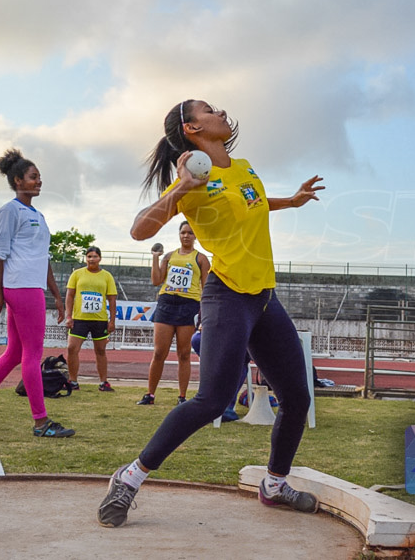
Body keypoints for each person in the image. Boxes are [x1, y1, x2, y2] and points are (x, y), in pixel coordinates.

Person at [98, 99, 325, 527]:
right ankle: (130, 477)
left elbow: (250, 203)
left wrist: (290, 202)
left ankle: (274, 484)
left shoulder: (245, 167)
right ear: (191, 127)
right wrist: (182, 187)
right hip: (227, 295)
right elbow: (139, 229)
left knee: (297, 398)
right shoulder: (193, 180)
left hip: (264, 297)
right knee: (211, 401)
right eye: (209, 109)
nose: (220, 110)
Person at [0, 149, 74, 438]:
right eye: (34, 177)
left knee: (14, 354)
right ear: (18, 180)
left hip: (32, 288)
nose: (39, 181)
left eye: (39, 177)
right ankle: (41, 422)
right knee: (32, 355)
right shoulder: (9, 210)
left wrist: (57, 295)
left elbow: (42, 258)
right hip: (20, 288)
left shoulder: (38, 215)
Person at [137, 222, 210, 406]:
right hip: (166, 303)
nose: (186, 236)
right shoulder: (169, 256)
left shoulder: (201, 259)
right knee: (159, 352)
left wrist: (204, 314)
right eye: (183, 232)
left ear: (195, 236)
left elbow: (207, 287)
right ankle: (150, 394)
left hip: (189, 305)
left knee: (184, 353)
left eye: (190, 233)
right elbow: (156, 280)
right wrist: (155, 257)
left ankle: (182, 397)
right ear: (179, 234)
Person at [63, 246, 117, 392]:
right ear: (85, 258)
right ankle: (73, 380)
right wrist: (69, 316)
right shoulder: (77, 274)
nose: (92, 259)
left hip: (99, 320)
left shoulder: (107, 276)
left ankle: (103, 382)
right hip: (79, 318)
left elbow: (112, 299)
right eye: (89, 256)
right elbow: (69, 295)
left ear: (100, 258)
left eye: (94, 256)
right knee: (72, 348)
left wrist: (112, 321)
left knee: (100, 350)